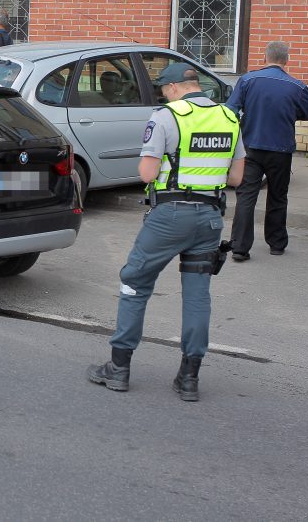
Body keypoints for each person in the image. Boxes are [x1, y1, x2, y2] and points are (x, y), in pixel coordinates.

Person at [87, 63, 245, 402]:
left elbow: (147, 174)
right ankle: (189, 378)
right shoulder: (230, 119)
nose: (162, 92)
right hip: (210, 219)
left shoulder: (167, 117)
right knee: (198, 294)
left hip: (170, 216)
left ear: (175, 87)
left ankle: (118, 368)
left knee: (134, 282)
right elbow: (235, 179)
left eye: (163, 87)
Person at [226, 41, 308, 261]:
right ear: (286, 60)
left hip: (251, 146)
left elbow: (231, 109)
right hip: (281, 149)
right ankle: (276, 243)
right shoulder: (297, 86)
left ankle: (239, 247)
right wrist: (290, 114)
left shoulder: (247, 80)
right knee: (278, 195)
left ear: (264, 58)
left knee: (246, 196)